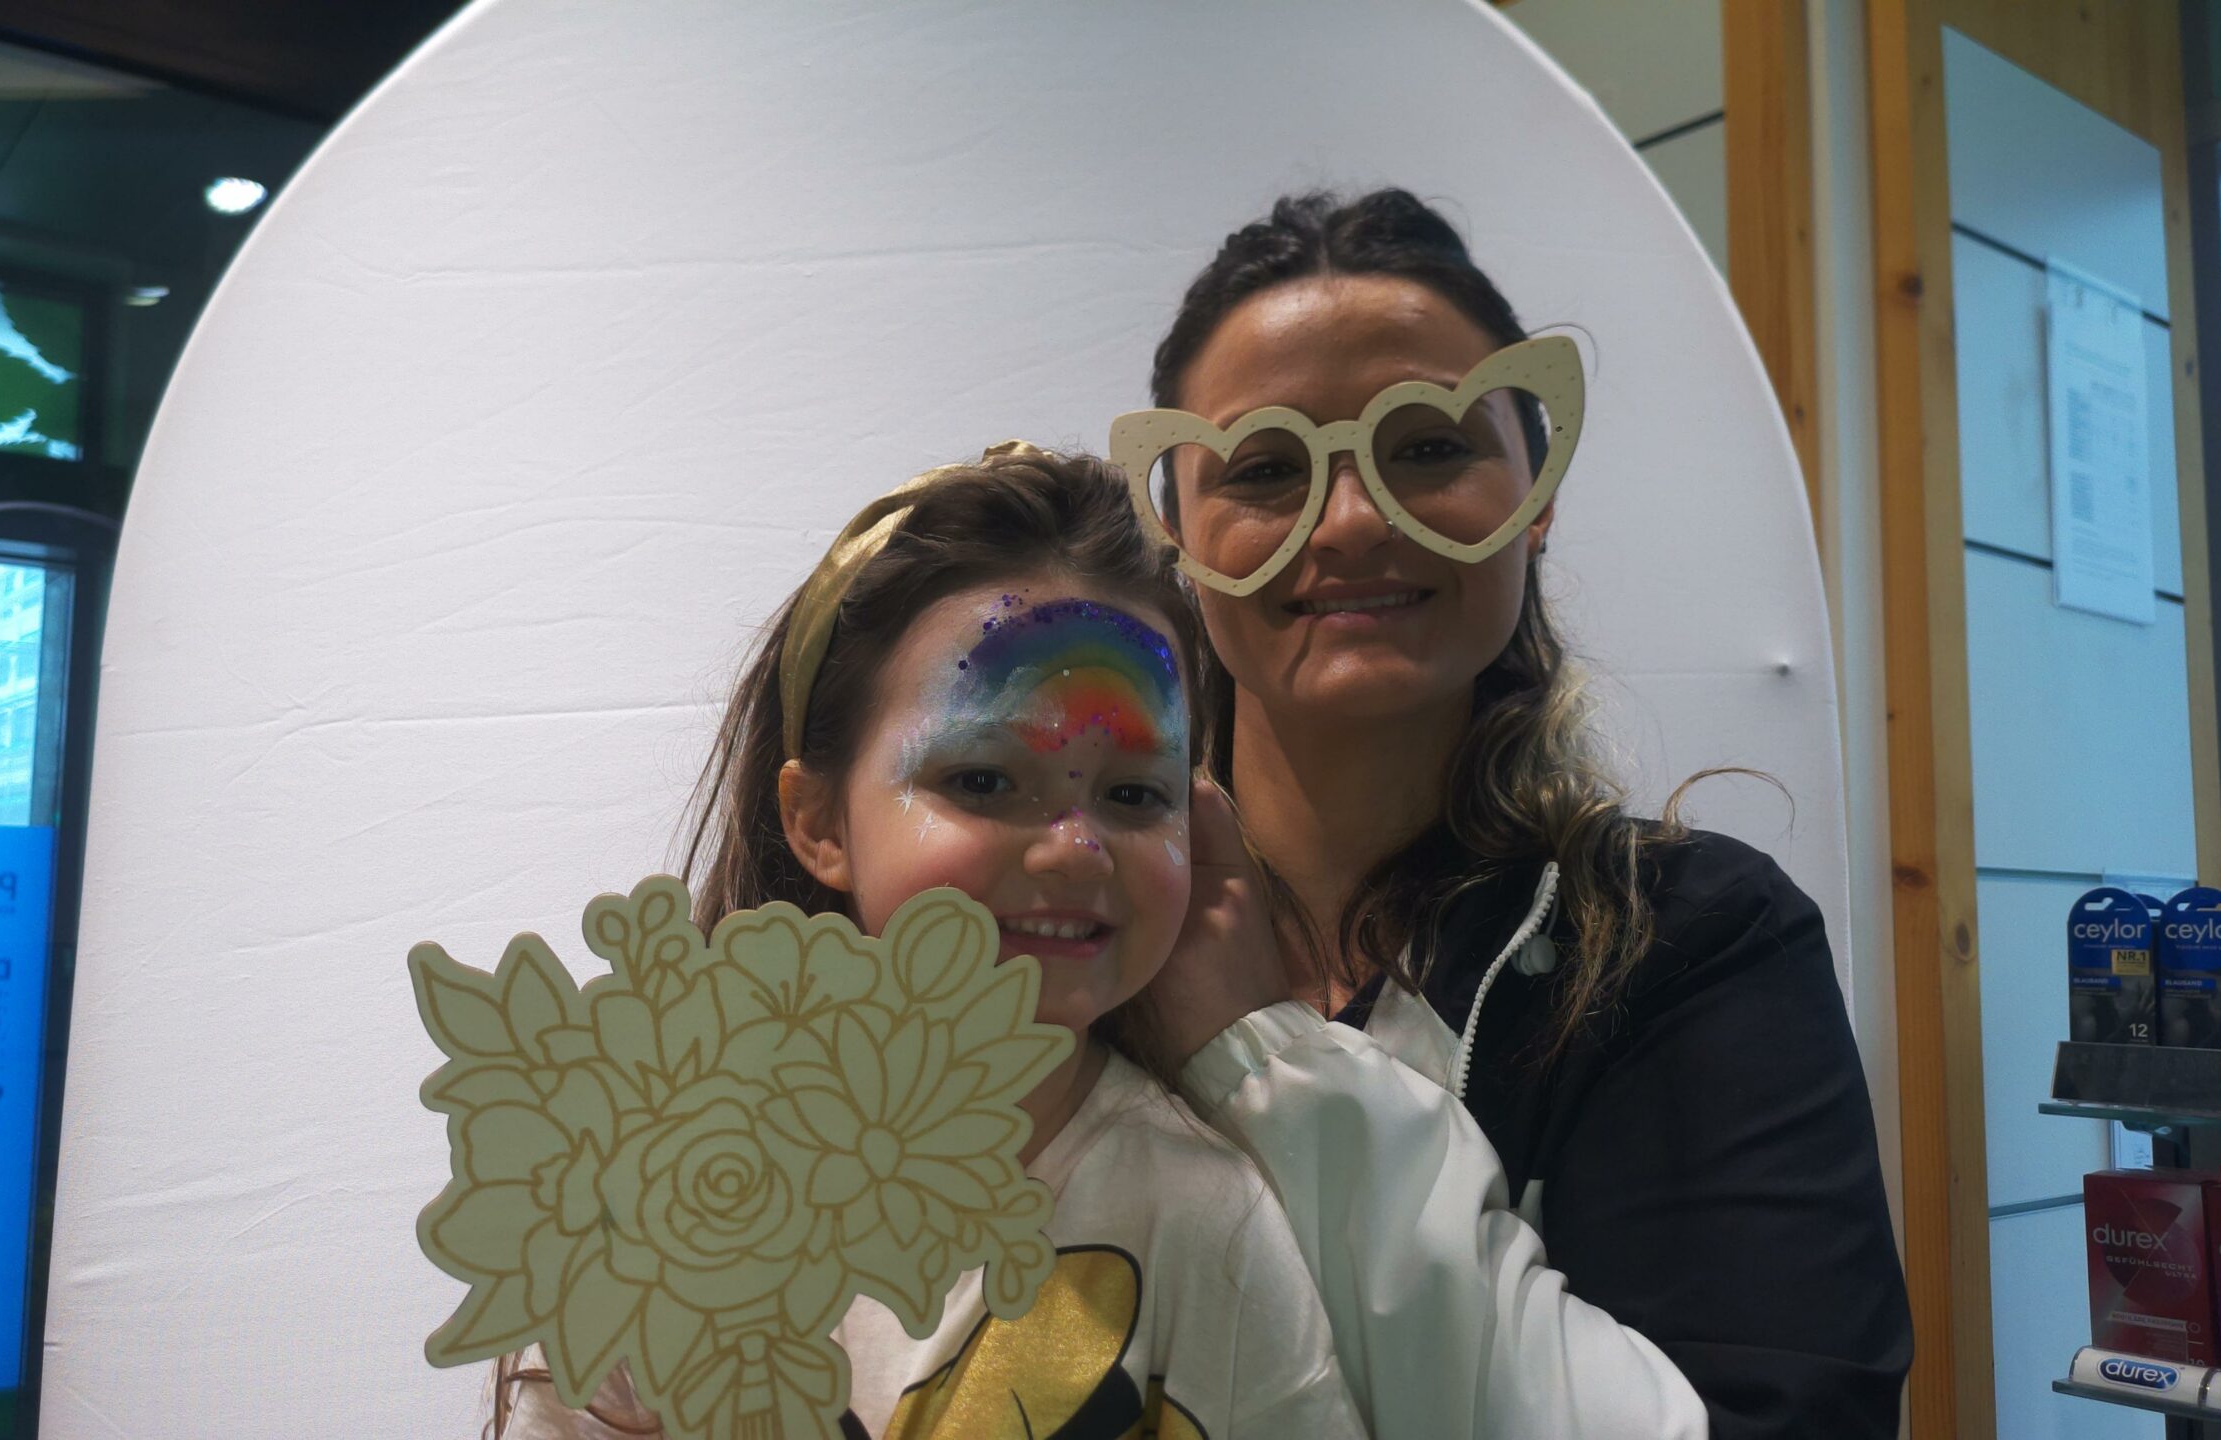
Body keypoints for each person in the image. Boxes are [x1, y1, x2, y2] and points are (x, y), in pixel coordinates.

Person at [1131, 190, 1914, 1440]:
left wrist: (1254, 1052)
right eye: (1267, 469)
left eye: (1429, 447)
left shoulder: (1685, 946)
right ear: (1177, 537)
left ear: (1534, 498)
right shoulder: (1090, 929)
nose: (1350, 521)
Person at [483, 445, 1364, 1439]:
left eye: (1133, 794)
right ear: (819, 821)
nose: (1076, 849)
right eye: (983, 780)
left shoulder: (1209, 1224)